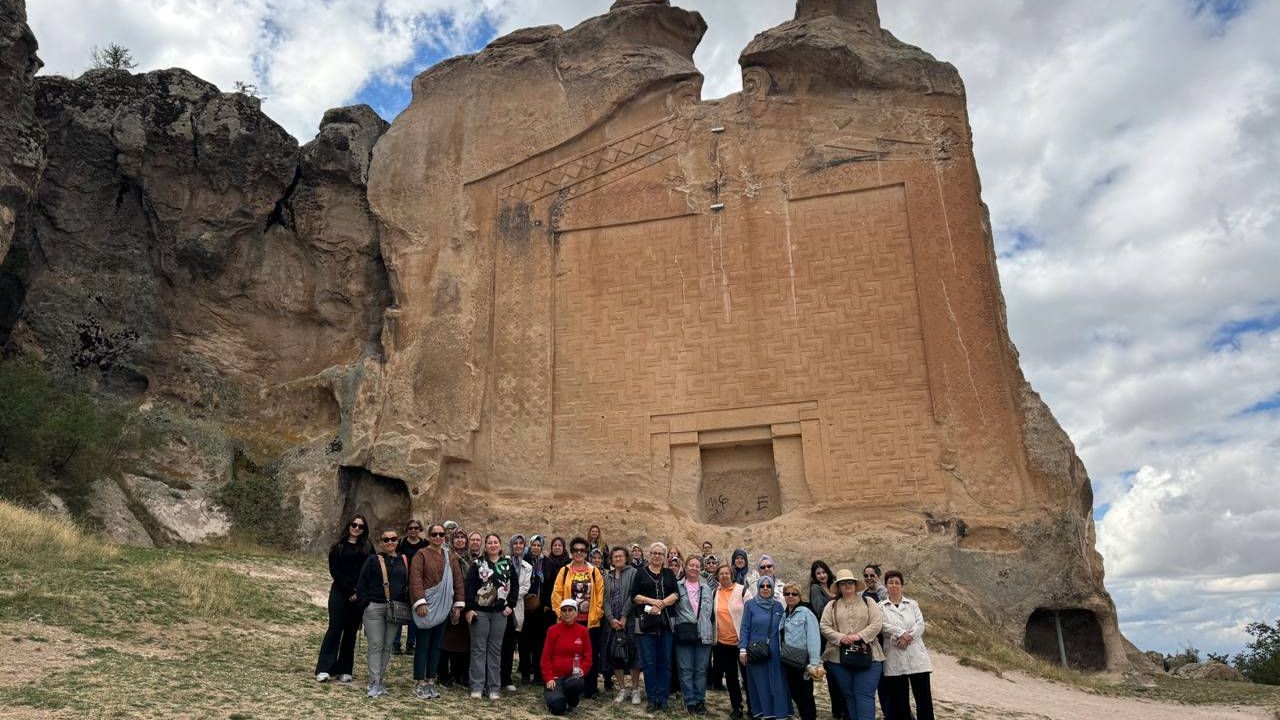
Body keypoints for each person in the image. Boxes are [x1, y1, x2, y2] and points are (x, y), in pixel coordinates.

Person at [408, 522, 465, 699]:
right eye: (434, 534)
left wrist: (458, 605)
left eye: (441, 535)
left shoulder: (451, 557)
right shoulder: (421, 554)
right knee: (423, 645)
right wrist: (420, 602)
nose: (438, 537)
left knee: (436, 646)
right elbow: (415, 579)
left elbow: (457, 581)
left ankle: (431, 680)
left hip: (444, 607)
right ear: (429, 536)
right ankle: (419, 681)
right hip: (426, 606)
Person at [821, 569, 885, 720]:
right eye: (843, 583)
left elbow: (877, 623)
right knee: (849, 695)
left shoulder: (868, 602)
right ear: (838, 587)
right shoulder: (832, 605)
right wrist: (840, 637)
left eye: (850, 582)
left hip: (868, 654)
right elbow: (824, 626)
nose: (847, 585)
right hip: (839, 657)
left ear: (855, 585)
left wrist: (859, 636)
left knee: (864, 694)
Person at [315, 514, 371, 684]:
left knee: (351, 632)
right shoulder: (337, 546)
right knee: (334, 629)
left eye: (361, 526)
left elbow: (370, 569)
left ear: (364, 529)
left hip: (358, 595)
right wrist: (349, 591)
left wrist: (359, 591)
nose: (356, 528)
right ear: (348, 525)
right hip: (340, 593)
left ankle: (345, 669)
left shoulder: (368, 547)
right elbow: (335, 571)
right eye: (354, 524)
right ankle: (324, 668)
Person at [356, 528, 410, 697]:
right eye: (386, 540)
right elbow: (362, 583)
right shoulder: (373, 560)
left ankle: (380, 679)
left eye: (393, 539)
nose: (390, 542)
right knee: (376, 644)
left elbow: (407, 583)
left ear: (397, 541)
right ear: (381, 542)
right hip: (375, 607)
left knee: (387, 646)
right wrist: (366, 604)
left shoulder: (404, 560)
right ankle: (374, 681)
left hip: (395, 609)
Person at [550, 536, 606, 699]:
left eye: (582, 550)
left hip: (589, 622)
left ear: (586, 552)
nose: (579, 553)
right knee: (569, 654)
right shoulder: (565, 571)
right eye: (576, 550)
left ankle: (590, 689)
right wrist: (562, 614)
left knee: (590, 655)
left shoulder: (594, 571)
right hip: (569, 621)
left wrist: (597, 614)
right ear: (572, 552)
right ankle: (570, 687)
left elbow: (600, 594)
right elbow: (557, 593)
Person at [465, 533, 518, 699]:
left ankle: (493, 687)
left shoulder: (508, 564)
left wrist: (510, 605)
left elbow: (514, 586)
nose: (492, 545)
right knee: (478, 649)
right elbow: (470, 587)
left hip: (499, 613)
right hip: (480, 612)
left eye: (495, 542)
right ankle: (477, 686)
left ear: (500, 545)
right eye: (489, 543)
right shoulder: (478, 564)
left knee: (495, 650)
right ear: (485, 546)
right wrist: (469, 609)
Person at [879, 571, 933, 720]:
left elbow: (920, 625)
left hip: (916, 655)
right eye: (890, 582)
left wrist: (908, 637)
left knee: (924, 700)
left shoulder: (912, 604)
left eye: (897, 582)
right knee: (900, 702)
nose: (894, 585)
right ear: (886, 585)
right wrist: (901, 632)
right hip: (894, 656)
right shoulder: (881, 607)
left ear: (901, 585)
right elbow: (883, 626)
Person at [633, 541, 679, 712]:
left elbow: (676, 594)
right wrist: (652, 602)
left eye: (660, 553)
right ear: (649, 554)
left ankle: (664, 697)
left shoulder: (668, 573)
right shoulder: (640, 573)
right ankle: (652, 698)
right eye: (654, 553)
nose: (657, 556)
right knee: (649, 662)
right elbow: (635, 596)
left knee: (665, 662)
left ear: (664, 556)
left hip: (666, 623)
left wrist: (661, 604)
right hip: (647, 623)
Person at [738, 576, 789, 719]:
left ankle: (779, 713)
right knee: (760, 683)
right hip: (755, 650)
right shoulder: (750, 604)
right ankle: (763, 713)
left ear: (772, 588)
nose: (765, 588)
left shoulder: (778, 606)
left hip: (775, 651)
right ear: (758, 588)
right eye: (762, 586)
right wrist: (742, 649)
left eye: (768, 586)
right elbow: (745, 627)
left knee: (776, 682)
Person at [673, 556, 716, 715]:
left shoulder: (707, 589)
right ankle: (689, 701)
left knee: (701, 670)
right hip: (684, 633)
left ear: (701, 568)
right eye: (691, 565)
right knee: (685, 669)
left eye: (697, 566)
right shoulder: (677, 587)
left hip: (704, 634)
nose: (694, 568)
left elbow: (711, 614)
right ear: (685, 566)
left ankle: (700, 700)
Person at [603, 546, 642, 704]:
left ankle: (635, 689)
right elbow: (604, 599)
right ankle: (621, 688)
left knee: (633, 654)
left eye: (620, 556)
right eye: (615, 556)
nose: (617, 558)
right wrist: (611, 618)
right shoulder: (608, 575)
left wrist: (624, 616)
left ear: (626, 558)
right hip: (611, 622)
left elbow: (633, 595)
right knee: (615, 654)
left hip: (630, 620)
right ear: (611, 559)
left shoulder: (633, 573)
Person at [709, 564, 748, 719]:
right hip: (723, 643)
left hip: (742, 642)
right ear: (717, 576)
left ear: (732, 575)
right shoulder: (714, 593)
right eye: (721, 573)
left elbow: (750, 613)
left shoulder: (742, 590)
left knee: (747, 677)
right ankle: (737, 706)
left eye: (727, 573)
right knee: (731, 678)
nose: (724, 576)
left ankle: (754, 706)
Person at [542, 599, 593, 716]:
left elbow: (588, 658)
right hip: (555, 677)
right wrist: (548, 678)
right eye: (564, 610)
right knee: (557, 709)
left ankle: (572, 702)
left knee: (577, 683)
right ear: (560, 613)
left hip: (573, 676)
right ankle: (556, 696)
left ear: (576, 613)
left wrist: (582, 670)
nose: (567, 613)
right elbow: (545, 657)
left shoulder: (583, 631)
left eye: (570, 610)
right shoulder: (552, 630)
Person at [781, 582, 823, 720]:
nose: (790, 596)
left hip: (803, 662)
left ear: (800, 596)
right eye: (787, 594)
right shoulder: (785, 614)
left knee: (806, 696)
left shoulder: (806, 613)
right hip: (788, 661)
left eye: (794, 594)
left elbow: (814, 638)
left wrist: (814, 663)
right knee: (795, 693)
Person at [808, 560, 844, 719]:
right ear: (814, 576)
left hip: (843, 634)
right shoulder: (816, 589)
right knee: (833, 672)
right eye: (818, 573)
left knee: (844, 669)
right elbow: (819, 610)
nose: (822, 575)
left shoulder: (836, 586)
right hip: (827, 636)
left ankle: (845, 707)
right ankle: (837, 709)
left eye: (823, 572)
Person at [440, 528, 474, 687]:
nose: (460, 540)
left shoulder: (471, 558)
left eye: (462, 538)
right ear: (452, 540)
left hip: (466, 603)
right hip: (449, 602)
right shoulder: (447, 556)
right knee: (447, 641)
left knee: (463, 640)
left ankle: (461, 674)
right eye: (457, 538)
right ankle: (444, 674)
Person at [501, 534, 534, 691]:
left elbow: (525, 588)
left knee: (509, 644)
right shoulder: (503, 561)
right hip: (500, 606)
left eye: (521, 543)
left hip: (516, 608)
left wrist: (511, 597)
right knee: (496, 644)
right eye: (516, 543)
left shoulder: (528, 567)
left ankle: (506, 678)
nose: (518, 546)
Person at [393, 519, 427, 655]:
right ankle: (396, 643)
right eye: (411, 528)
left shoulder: (425, 544)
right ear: (407, 529)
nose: (413, 530)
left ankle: (410, 644)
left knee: (414, 613)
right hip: (403, 580)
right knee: (399, 611)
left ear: (420, 529)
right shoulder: (401, 543)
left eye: (416, 528)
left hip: (418, 581)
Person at [523, 534, 548, 684]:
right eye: (534, 545)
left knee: (539, 643)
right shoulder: (524, 561)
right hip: (524, 606)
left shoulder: (546, 563)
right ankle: (526, 673)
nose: (536, 548)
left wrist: (545, 603)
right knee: (525, 642)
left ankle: (538, 674)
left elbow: (549, 582)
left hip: (540, 608)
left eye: (539, 546)